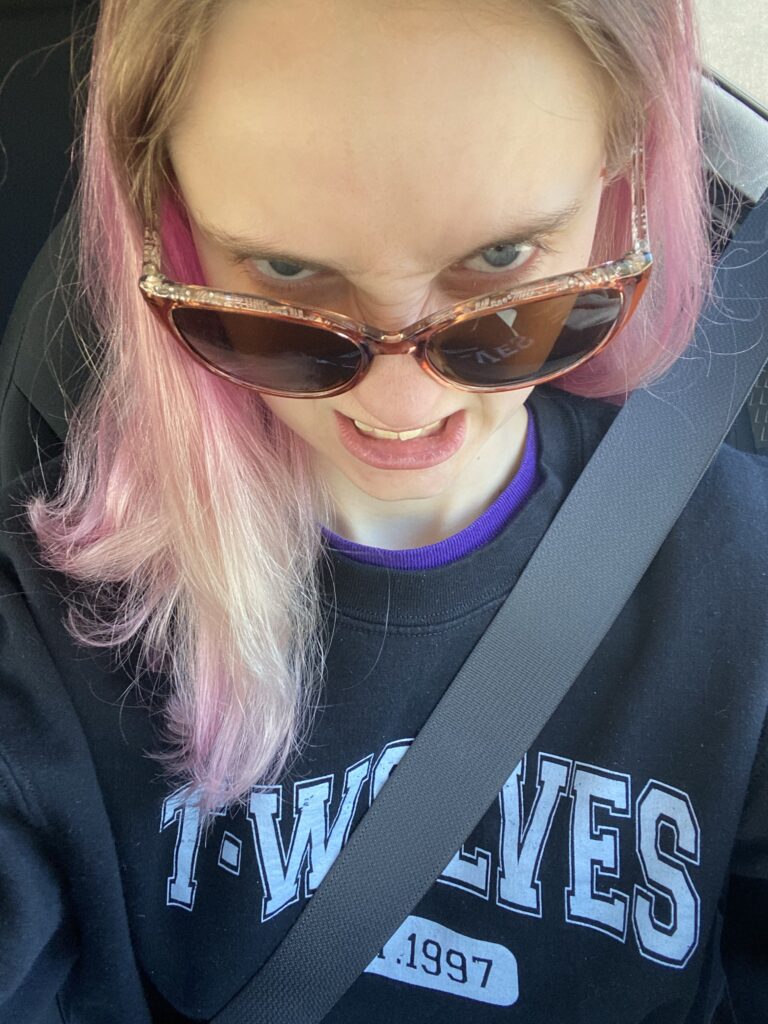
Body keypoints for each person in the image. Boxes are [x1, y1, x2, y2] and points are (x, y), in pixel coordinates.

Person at [0, 0, 765, 1021]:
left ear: (619, 172)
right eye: (287, 272)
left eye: (504, 260)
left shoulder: (745, 582)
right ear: (167, 223)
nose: (402, 407)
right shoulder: (59, 628)